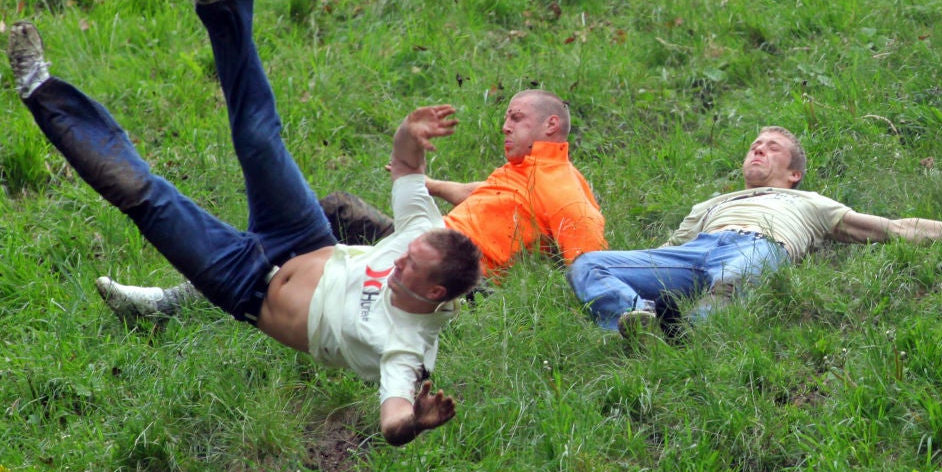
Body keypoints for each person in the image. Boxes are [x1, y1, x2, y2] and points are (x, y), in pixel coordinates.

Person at [6, 0, 483, 446]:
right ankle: (221, 3)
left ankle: (40, 91)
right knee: (259, 138)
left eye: (410, 267)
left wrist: (415, 423)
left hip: (246, 284)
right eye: (408, 251)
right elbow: (406, 167)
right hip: (303, 238)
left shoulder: (407, 348)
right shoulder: (427, 236)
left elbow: (392, 420)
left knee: (147, 197)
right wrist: (411, 131)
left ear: (436, 293)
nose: (399, 255)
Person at [95, 88, 608, 319]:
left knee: (303, 261)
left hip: (446, 276)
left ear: (551, 126)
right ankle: (232, 272)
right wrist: (429, 186)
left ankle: (169, 305)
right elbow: (486, 195)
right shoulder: (524, 174)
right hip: (427, 237)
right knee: (336, 209)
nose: (505, 123)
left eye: (516, 116)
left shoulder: (560, 186)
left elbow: (593, 260)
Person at [568, 126, 942, 337]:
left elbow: (895, 229)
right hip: (693, 252)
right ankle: (634, 319)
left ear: (794, 174)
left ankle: (684, 340)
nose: (758, 149)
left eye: (772, 148)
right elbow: (667, 249)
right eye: (755, 144)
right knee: (588, 263)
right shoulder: (711, 204)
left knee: (736, 279)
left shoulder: (810, 202)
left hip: (758, 246)